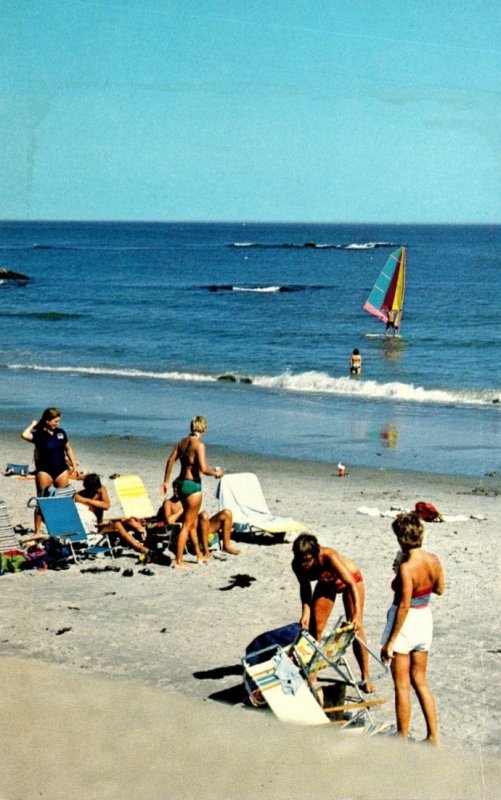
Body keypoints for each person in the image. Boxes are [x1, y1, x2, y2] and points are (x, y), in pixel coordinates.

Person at [380, 512, 445, 745]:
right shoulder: (433, 560)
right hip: (425, 618)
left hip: (406, 623)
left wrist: (390, 642)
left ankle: (402, 736)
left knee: (402, 685)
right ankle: (433, 736)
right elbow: (439, 589)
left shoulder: (407, 567)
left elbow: (404, 605)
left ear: (401, 539)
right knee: (420, 680)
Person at [292, 533, 375, 693]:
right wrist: (305, 611)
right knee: (314, 628)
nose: (304, 565)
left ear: (315, 555)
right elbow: (305, 587)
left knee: (356, 628)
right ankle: (312, 675)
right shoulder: (297, 564)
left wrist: (357, 613)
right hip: (326, 583)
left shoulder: (329, 556)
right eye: (301, 560)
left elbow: (351, 583)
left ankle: (366, 676)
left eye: (307, 560)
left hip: (350, 581)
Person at [160, 415, 223, 568]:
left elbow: (170, 460)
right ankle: (179, 561)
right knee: (187, 525)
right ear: (204, 428)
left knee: (192, 522)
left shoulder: (182, 442)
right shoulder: (199, 446)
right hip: (192, 486)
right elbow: (203, 469)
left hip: (180, 482)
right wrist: (216, 473)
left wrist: (166, 481)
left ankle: (199, 556)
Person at [21, 408, 78, 534]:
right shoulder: (38, 434)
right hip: (44, 471)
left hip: (61, 470)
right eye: (55, 421)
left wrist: (74, 466)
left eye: (58, 421)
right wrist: (33, 424)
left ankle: (63, 528)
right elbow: (24, 435)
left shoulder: (61, 433)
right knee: (43, 501)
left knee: (63, 500)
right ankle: (37, 532)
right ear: (47, 420)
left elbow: (68, 449)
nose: (57, 423)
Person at [74, 473, 151, 557]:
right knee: (117, 525)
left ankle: (148, 542)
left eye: (97, 489)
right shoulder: (80, 495)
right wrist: (83, 500)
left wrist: (85, 500)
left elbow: (106, 505)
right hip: (95, 530)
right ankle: (141, 549)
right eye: (94, 490)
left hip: (100, 525)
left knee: (131, 521)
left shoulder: (99, 490)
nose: (97, 491)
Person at [161, 489, 240, 558]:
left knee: (226, 513)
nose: (176, 490)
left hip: (201, 527)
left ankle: (226, 546)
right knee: (203, 516)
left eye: (178, 488)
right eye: (174, 487)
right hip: (189, 532)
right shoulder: (168, 503)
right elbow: (169, 521)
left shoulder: (189, 499)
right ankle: (206, 552)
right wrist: (181, 511)